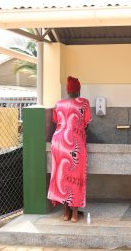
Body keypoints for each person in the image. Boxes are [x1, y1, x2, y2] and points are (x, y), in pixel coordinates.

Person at [47, 76, 91, 223]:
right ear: (78, 90)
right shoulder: (84, 103)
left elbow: (57, 122)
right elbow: (86, 125)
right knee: (76, 178)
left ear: (67, 89)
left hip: (58, 143)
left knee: (62, 177)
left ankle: (65, 213)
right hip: (74, 143)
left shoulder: (58, 104)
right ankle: (74, 214)